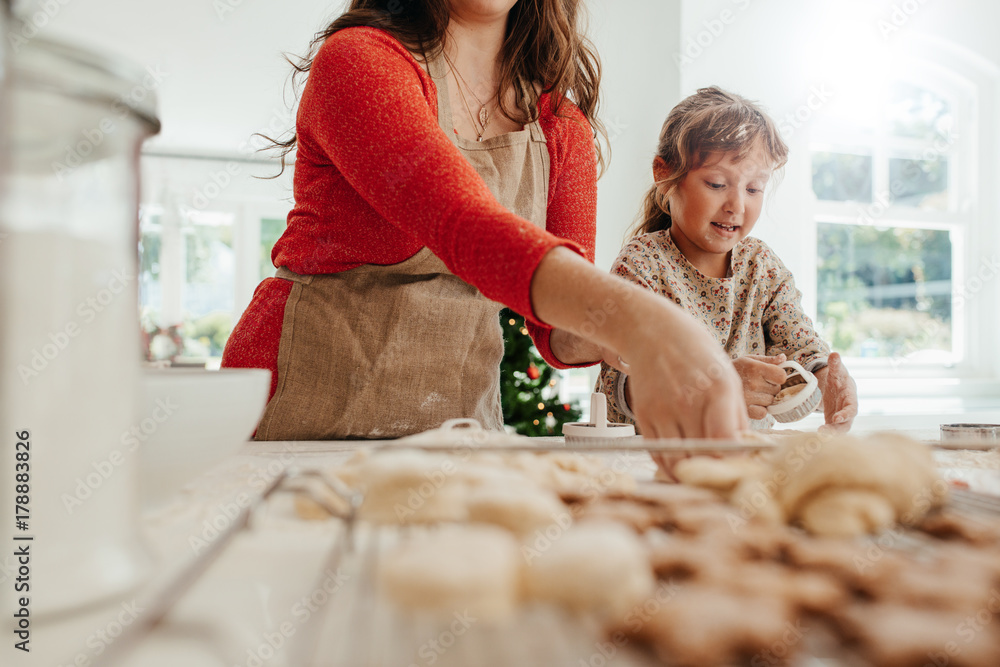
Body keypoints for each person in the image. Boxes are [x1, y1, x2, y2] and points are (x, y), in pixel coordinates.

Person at [222, 1, 747, 441]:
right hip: (298, 420)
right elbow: (465, 226)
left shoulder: (560, 124)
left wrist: (631, 345)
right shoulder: (360, 61)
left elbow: (559, 330)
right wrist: (643, 324)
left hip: (457, 430)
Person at [597, 86, 858, 433]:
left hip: (746, 462)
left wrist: (828, 378)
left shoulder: (761, 265)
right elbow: (622, 387)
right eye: (717, 184)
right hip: (660, 461)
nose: (737, 205)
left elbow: (799, 342)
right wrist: (717, 383)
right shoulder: (643, 265)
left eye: (753, 189)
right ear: (664, 175)